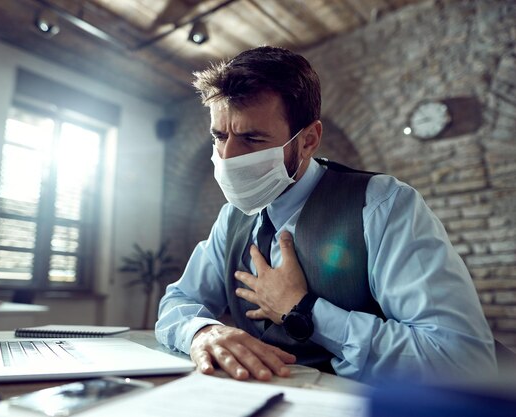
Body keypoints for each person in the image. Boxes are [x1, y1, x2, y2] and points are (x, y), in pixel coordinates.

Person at [155, 46, 497, 383]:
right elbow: (179, 300)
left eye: (252, 138)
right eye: (220, 136)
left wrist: (303, 310)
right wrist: (203, 331)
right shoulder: (231, 218)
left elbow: (461, 360)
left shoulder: (383, 205)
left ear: (307, 141)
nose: (228, 157)